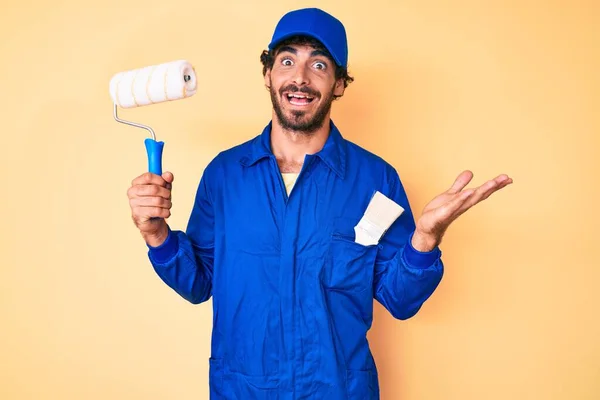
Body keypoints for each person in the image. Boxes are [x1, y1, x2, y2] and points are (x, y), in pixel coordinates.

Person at [126, 7, 512, 399]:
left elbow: (400, 299)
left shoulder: (376, 182)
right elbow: (198, 282)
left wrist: (426, 238)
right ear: (268, 74)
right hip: (243, 390)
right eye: (288, 60)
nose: (300, 77)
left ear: (340, 84)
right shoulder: (224, 176)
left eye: (320, 65)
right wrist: (156, 233)